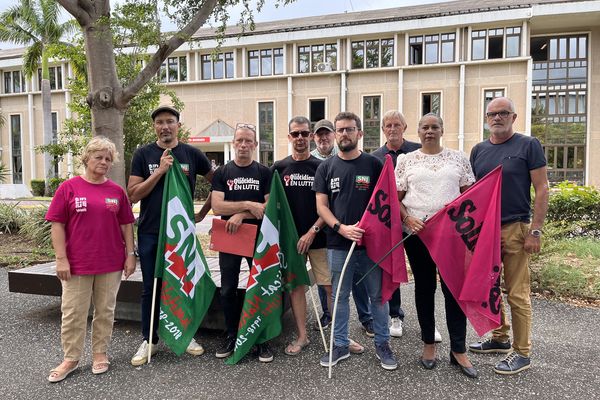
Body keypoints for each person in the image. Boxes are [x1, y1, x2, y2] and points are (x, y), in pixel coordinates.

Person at [468, 97, 549, 375]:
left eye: (503, 113)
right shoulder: (478, 150)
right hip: (485, 232)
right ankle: (500, 338)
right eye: (492, 113)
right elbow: (473, 193)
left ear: (513, 117)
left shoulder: (528, 145)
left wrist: (535, 231)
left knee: (517, 293)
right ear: (486, 118)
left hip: (515, 228)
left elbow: (542, 188)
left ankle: (522, 352)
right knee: (489, 288)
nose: (497, 118)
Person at [127, 106, 213, 366]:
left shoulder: (192, 154)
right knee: (151, 287)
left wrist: (202, 212)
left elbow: (218, 182)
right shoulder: (143, 154)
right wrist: (160, 171)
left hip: (181, 234)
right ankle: (149, 339)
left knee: (183, 283)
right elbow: (133, 194)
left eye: (170, 122)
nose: (165, 126)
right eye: (160, 122)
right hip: (152, 231)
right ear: (154, 126)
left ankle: (185, 335)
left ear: (178, 125)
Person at [272, 116, 364, 356]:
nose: (300, 138)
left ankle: (340, 336)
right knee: (296, 288)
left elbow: (329, 205)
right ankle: (302, 336)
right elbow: (271, 204)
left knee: (331, 288)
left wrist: (312, 232)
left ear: (310, 136)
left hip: (321, 238)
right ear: (289, 137)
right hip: (291, 242)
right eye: (296, 134)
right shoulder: (279, 168)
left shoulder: (323, 166)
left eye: (304, 133)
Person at [45, 137, 136, 382]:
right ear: (87, 158)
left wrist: (130, 255)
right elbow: (57, 225)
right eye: (99, 157)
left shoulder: (116, 191)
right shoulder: (69, 188)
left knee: (105, 311)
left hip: (110, 262)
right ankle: (71, 358)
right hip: (77, 263)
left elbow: (127, 224)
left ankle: (99, 353)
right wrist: (61, 259)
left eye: (108, 158)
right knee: (74, 312)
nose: (104, 162)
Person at [395, 113, 478, 378]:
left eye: (434, 127)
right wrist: (407, 217)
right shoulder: (406, 160)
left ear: (442, 130)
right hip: (418, 235)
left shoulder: (458, 158)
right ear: (417, 132)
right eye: (425, 127)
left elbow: (471, 197)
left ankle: (458, 349)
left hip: (452, 237)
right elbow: (396, 199)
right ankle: (429, 344)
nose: (429, 131)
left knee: (454, 290)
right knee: (424, 288)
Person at [314, 111, 397, 371]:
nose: (344, 134)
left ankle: (383, 344)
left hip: (372, 245)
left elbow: (385, 202)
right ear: (336, 134)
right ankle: (339, 344)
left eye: (350, 129)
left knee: (378, 297)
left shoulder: (374, 165)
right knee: (340, 296)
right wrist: (342, 228)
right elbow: (322, 207)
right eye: (340, 130)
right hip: (338, 245)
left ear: (359, 133)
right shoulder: (325, 167)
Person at [210, 123, 273, 362]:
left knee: (259, 286)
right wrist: (248, 206)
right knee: (227, 289)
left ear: (255, 145)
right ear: (234, 143)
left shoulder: (264, 173)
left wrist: (240, 215)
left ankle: (261, 337)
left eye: (248, 141)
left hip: (257, 237)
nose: (244, 145)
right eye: (240, 141)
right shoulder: (223, 173)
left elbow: (267, 208)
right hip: (230, 237)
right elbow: (217, 206)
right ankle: (232, 334)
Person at [370, 110, 420, 339]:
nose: (392, 129)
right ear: (383, 129)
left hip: (416, 220)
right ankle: (395, 315)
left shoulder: (417, 151)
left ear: (404, 126)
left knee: (423, 271)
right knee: (392, 270)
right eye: (388, 125)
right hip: (388, 224)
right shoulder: (375, 157)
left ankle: (426, 320)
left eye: (396, 125)